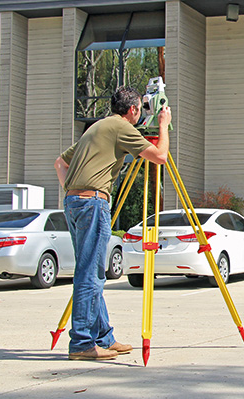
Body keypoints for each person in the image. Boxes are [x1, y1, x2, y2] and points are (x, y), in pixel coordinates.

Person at [54, 87, 171, 360]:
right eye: (140, 110)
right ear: (132, 110)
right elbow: (160, 157)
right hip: (92, 202)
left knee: (91, 269)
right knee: (90, 275)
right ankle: (82, 343)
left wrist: (74, 190)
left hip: (74, 202)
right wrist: (163, 125)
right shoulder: (121, 127)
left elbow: (60, 162)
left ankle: (103, 337)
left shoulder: (98, 126)